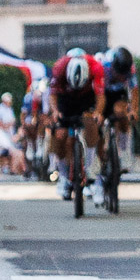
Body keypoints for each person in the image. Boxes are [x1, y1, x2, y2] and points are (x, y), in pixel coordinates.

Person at [47, 48, 108, 202]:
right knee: (60, 134)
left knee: (91, 125)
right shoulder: (60, 67)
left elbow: (100, 96)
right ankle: (63, 176)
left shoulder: (96, 67)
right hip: (65, 98)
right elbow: (52, 95)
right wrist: (55, 112)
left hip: (86, 98)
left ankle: (90, 171)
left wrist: (98, 113)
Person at [98, 46, 139, 172]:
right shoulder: (103, 65)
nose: (121, 78)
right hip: (101, 93)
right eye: (119, 74)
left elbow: (135, 90)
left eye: (124, 75)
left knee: (122, 113)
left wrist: (134, 110)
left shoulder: (131, 69)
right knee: (96, 123)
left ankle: (124, 154)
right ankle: (100, 154)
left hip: (118, 94)